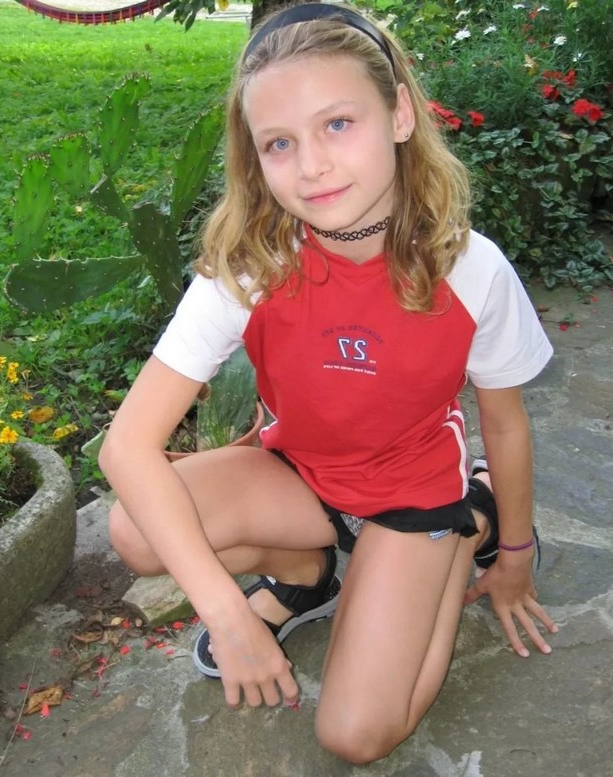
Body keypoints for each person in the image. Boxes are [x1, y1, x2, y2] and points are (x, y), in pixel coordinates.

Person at [99, 2, 559, 765]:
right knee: (135, 528)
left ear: (399, 114)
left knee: (355, 734)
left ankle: (467, 521)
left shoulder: (470, 268)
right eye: (278, 142)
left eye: (337, 123)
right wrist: (228, 614)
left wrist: (511, 556)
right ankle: (306, 573)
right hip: (303, 474)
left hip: (411, 490)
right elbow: (126, 447)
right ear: (255, 157)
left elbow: (505, 423)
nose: (310, 165)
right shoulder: (249, 265)